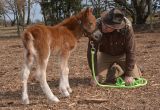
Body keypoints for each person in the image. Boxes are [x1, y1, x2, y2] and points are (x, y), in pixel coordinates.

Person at [87, 8, 142, 85]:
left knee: (134, 79)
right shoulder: (96, 26)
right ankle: (117, 70)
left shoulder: (127, 27)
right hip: (105, 55)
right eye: (105, 24)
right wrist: (94, 74)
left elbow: (131, 51)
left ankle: (134, 68)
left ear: (117, 27)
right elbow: (91, 52)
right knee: (100, 80)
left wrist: (129, 74)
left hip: (123, 55)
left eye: (110, 27)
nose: (105, 27)